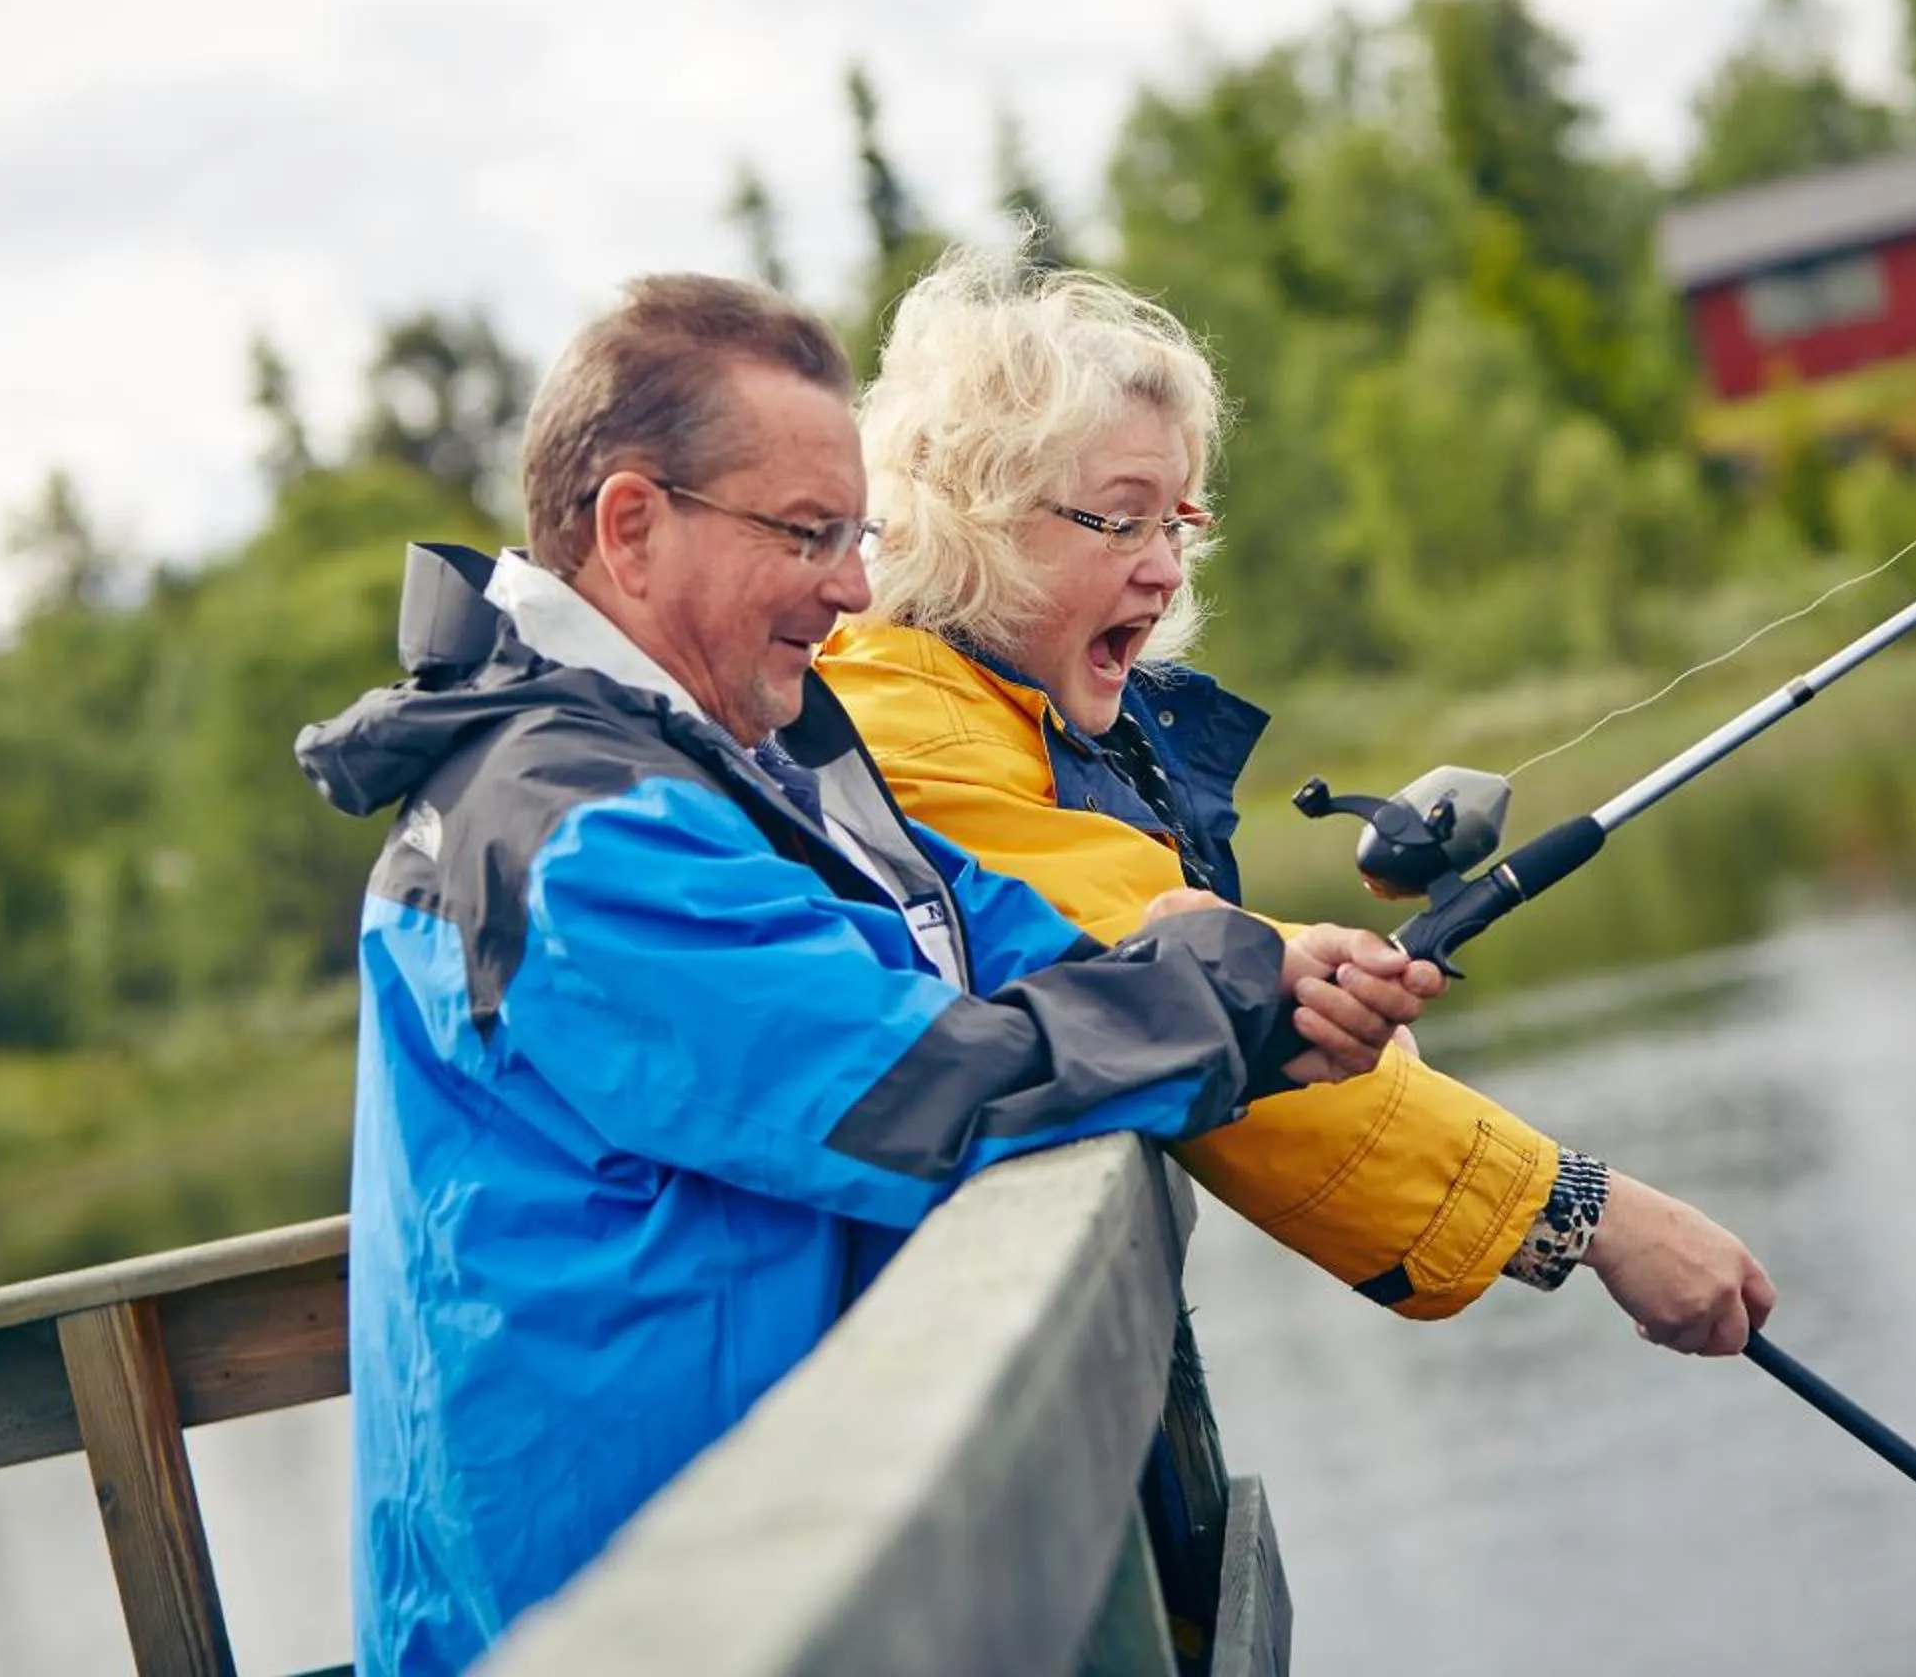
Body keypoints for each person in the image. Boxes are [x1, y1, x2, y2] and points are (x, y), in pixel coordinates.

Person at [296, 274, 1441, 1677]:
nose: (853, 587)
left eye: (860, 535)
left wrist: (1255, 971)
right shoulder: (562, 829)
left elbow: (981, 938)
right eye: (806, 534)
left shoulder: (744, 756)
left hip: (764, 1583)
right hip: (620, 1622)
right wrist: (1227, 1000)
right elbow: (913, 1086)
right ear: (633, 527)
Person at [819, 242, 1776, 1350]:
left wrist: (1317, 998)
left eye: (1177, 522)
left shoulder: (980, 711)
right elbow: (1150, 997)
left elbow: (1176, 966)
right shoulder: (914, 735)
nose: (1168, 567)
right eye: (1123, 519)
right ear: (970, 516)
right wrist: (1588, 1212)